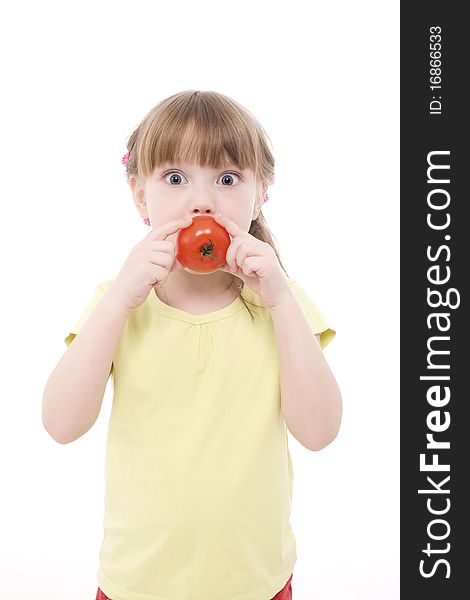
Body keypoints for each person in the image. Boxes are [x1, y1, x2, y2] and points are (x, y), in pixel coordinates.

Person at [42, 90, 342, 600]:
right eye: (175, 179)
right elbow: (61, 424)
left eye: (227, 179)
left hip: (256, 583)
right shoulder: (116, 304)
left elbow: (318, 431)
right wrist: (118, 301)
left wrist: (280, 301)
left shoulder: (281, 302)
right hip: (136, 584)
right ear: (140, 194)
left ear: (261, 192)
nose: (202, 202)